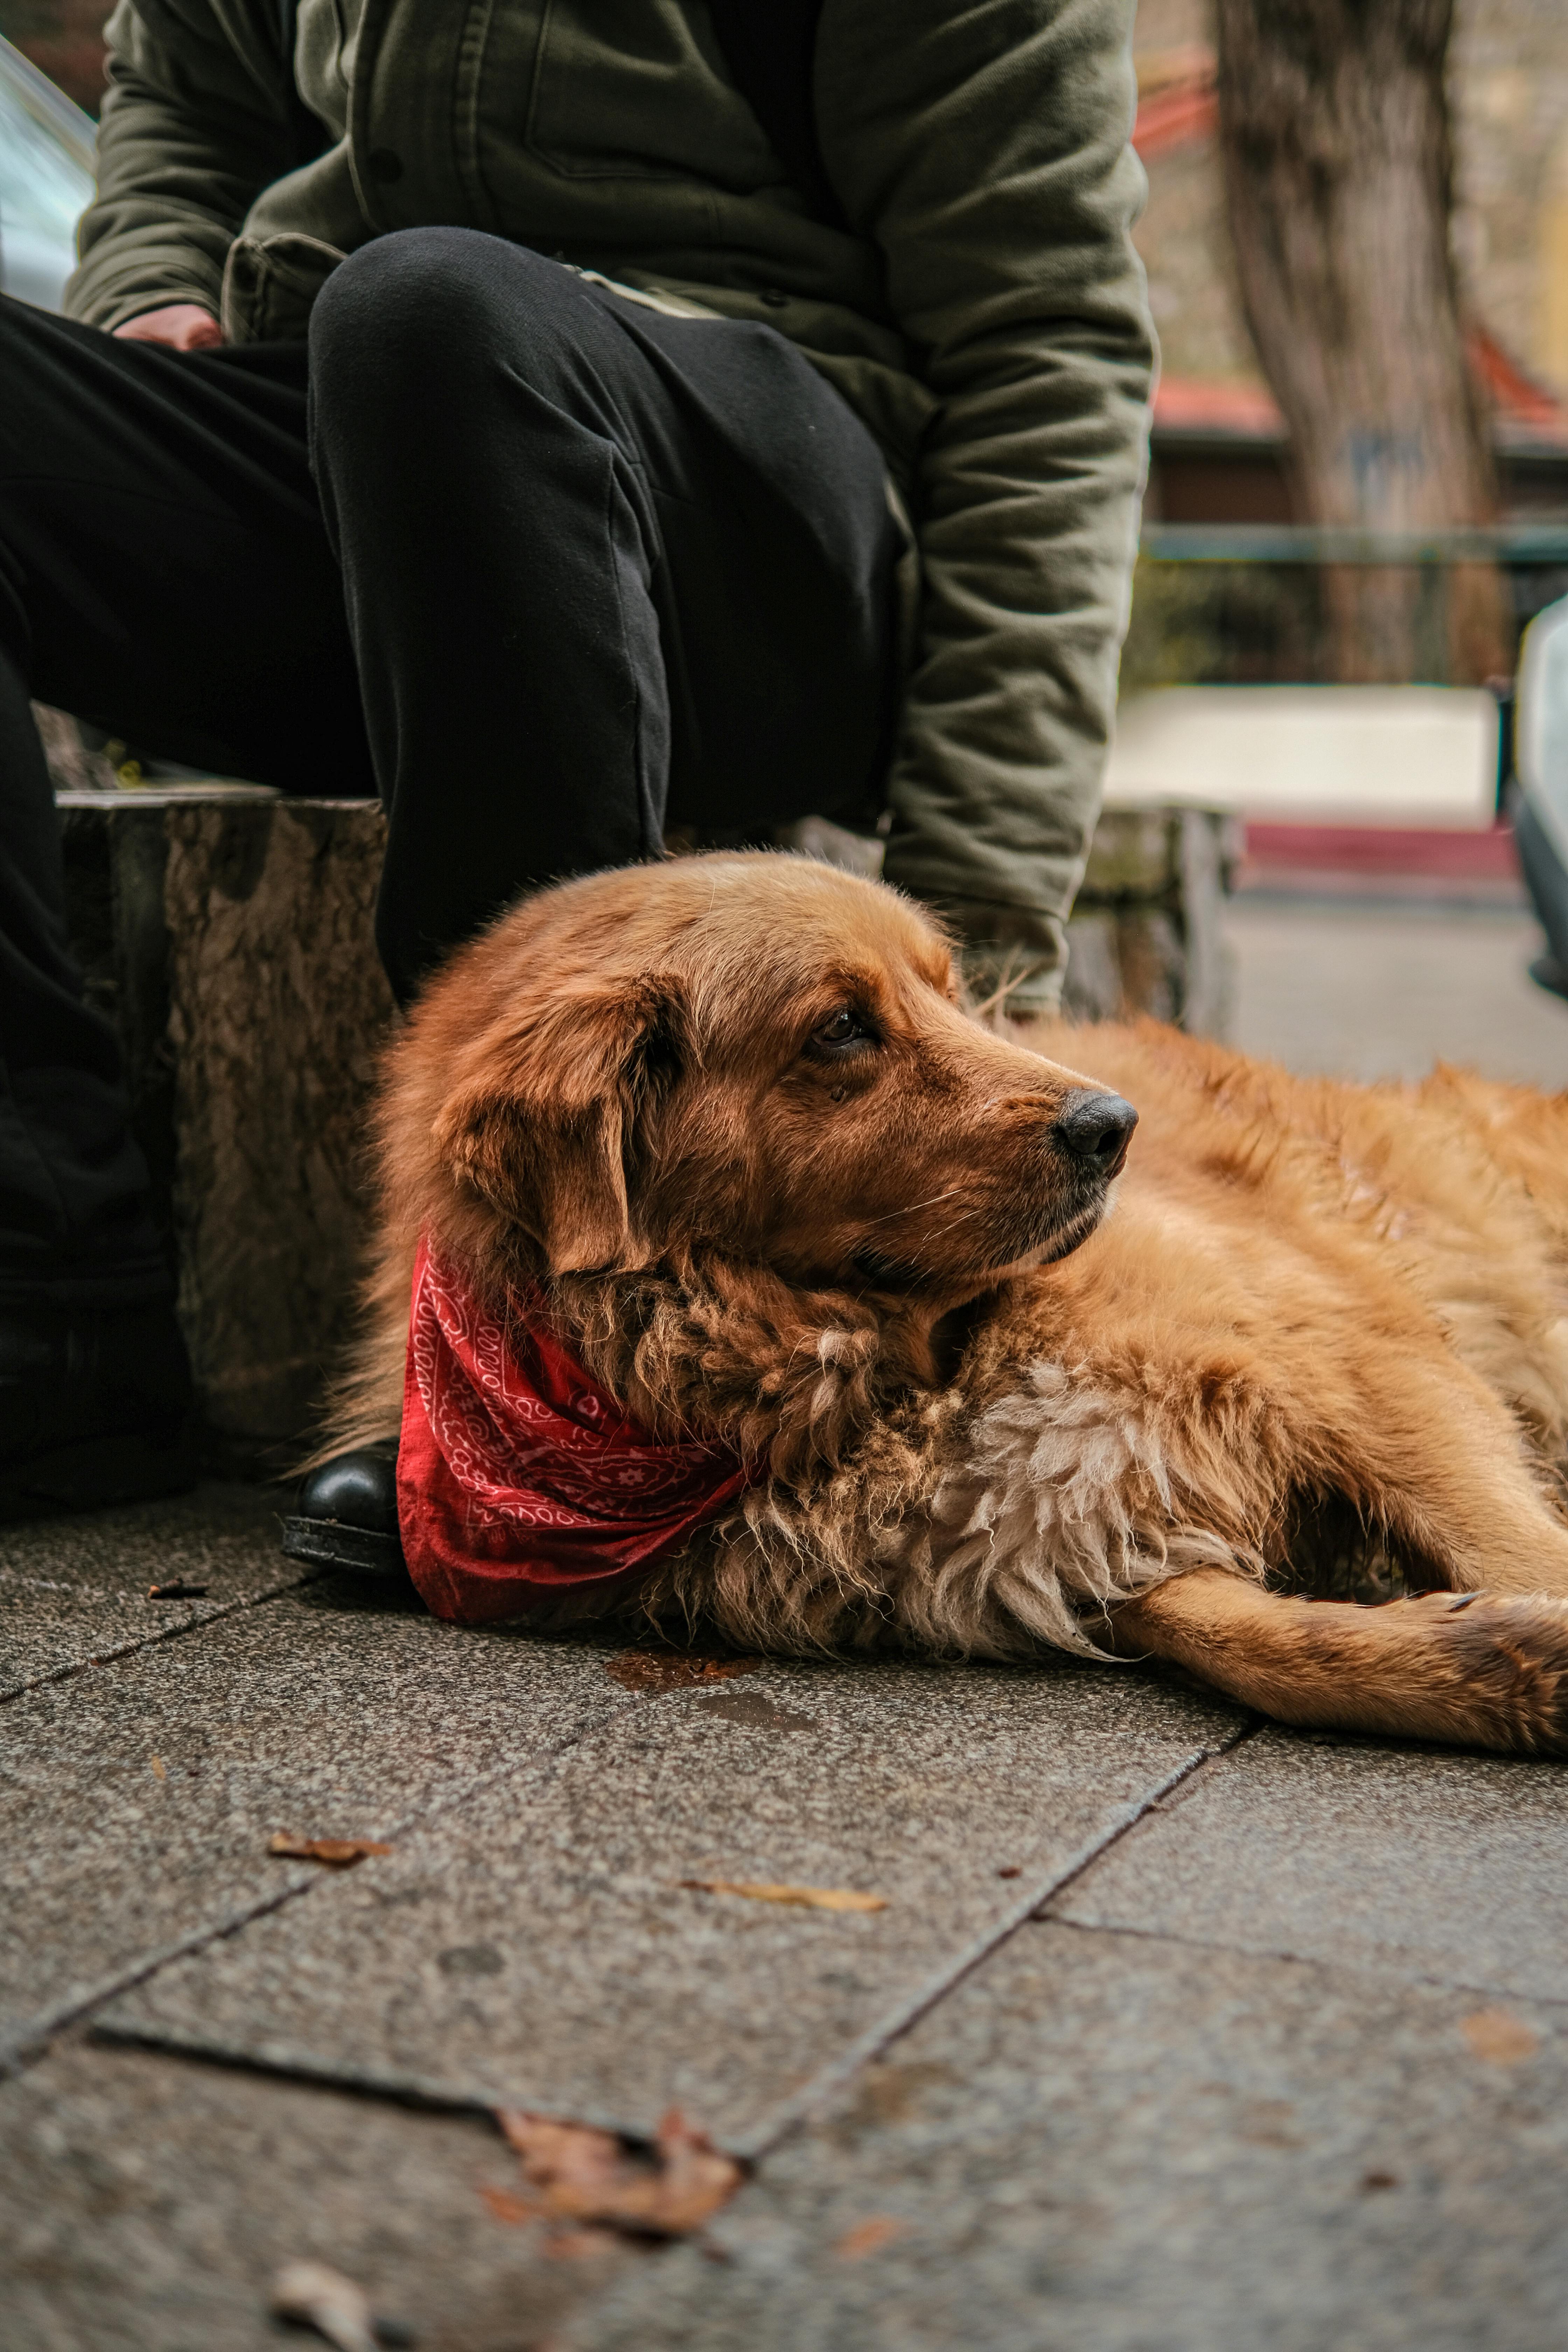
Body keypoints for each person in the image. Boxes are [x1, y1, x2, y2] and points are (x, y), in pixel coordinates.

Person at [0, 0, 1154, 1525]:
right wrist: (150, 276)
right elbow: (185, 86)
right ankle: (51, 1291)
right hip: (352, 474)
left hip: (757, 558)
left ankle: (522, 1360)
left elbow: (1043, 371)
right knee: (400, 320)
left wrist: (965, 982)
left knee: (431, 313)